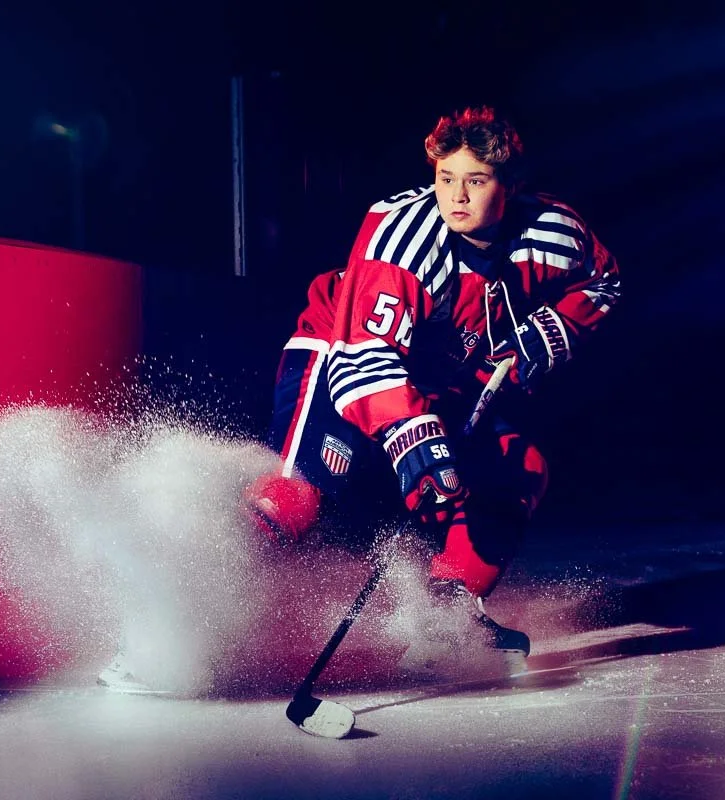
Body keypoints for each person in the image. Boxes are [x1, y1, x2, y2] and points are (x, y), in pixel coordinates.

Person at [243, 106, 621, 661]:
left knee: (520, 471)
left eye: (476, 180)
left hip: (443, 379)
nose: (457, 197)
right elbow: (362, 358)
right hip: (339, 358)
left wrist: (552, 328)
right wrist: (414, 442)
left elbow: (604, 281)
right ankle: (182, 617)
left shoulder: (554, 231)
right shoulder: (404, 239)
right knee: (295, 497)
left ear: (510, 185)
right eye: (446, 178)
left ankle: (445, 615)